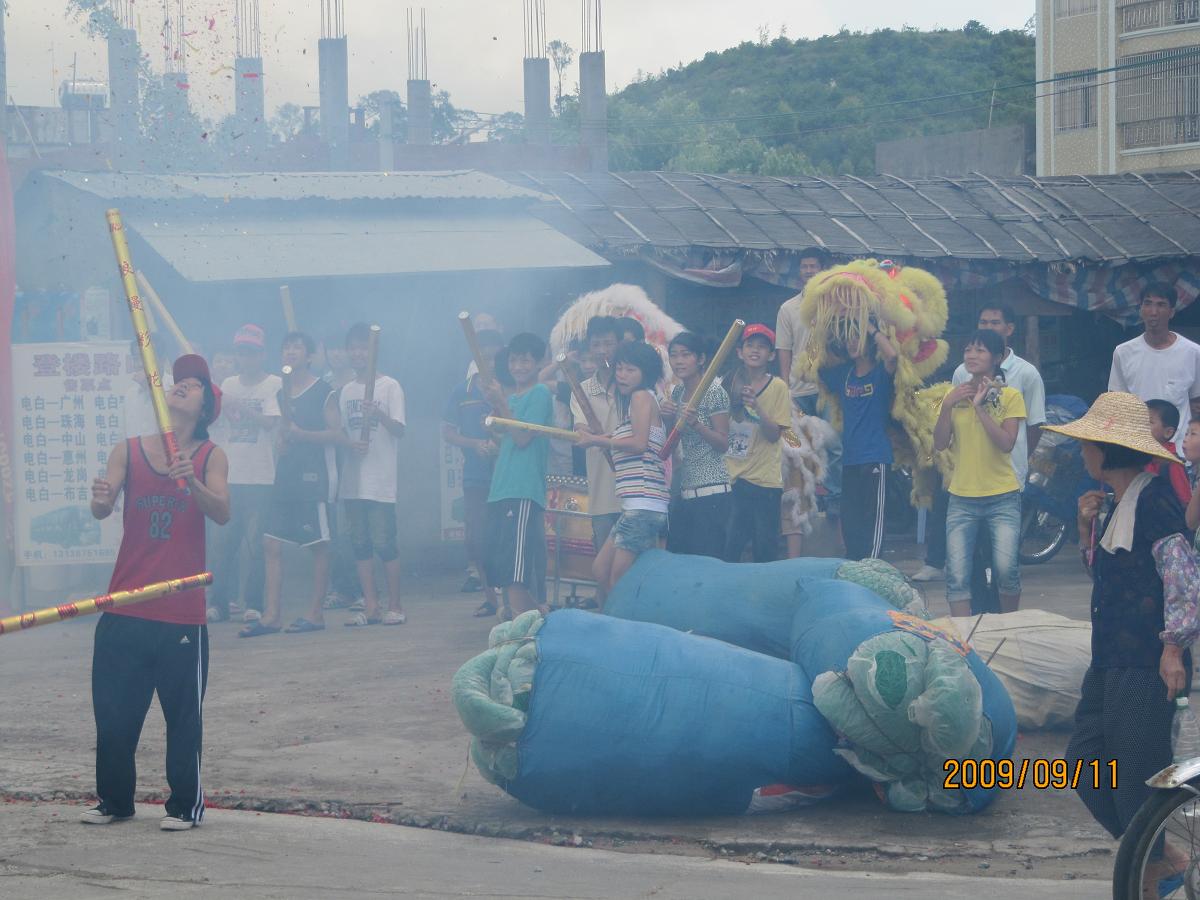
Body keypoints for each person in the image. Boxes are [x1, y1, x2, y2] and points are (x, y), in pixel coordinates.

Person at [1052, 393, 1198, 896]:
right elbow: (1112, 578)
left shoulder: (1156, 502)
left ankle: (1148, 873)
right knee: (1084, 762)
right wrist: (1084, 529)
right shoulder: (1117, 504)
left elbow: (1182, 581)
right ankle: (1164, 856)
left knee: (1137, 777)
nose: (1082, 454)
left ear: (1107, 451)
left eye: (1087, 445)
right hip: (1110, 661)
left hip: (1146, 663)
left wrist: (1173, 648)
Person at [82, 354, 230, 831]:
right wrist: (100, 501)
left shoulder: (210, 456)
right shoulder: (128, 450)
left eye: (194, 384)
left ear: (206, 407)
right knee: (113, 714)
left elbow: (222, 512)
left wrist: (191, 482)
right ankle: (114, 801)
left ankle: (185, 805)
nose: (182, 386)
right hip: (125, 604)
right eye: (178, 381)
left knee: (183, 718)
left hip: (181, 611)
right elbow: (103, 508)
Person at [915, 304, 1047, 585]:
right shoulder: (961, 374)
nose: (988, 328)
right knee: (964, 567)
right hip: (965, 476)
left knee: (1003, 564)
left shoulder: (1026, 374)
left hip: (1007, 474)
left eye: (994, 323)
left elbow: (1035, 425)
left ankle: (999, 607)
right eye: (983, 323)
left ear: (1009, 329)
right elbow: (943, 438)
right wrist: (947, 407)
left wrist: (1021, 459)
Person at [241, 332, 343, 636]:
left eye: (297, 347)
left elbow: (337, 433)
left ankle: (316, 614)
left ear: (309, 356)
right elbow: (283, 435)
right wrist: (284, 442)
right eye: (286, 347)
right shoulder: (281, 392)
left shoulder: (324, 391)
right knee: (270, 541)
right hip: (285, 476)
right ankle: (272, 615)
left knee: (319, 545)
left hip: (315, 478)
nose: (290, 351)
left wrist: (302, 435)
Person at [933, 329, 1026, 617]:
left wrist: (979, 409)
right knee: (957, 574)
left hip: (1003, 495)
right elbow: (939, 443)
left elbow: (1006, 443)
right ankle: (962, 637)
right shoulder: (954, 396)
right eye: (968, 349)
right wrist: (947, 406)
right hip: (962, 496)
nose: (972, 355)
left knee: (1006, 570)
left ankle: (1010, 628)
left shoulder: (1010, 396)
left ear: (997, 358)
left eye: (980, 350)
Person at [578, 341, 669, 596]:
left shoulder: (641, 397)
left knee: (618, 579)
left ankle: (625, 619)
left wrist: (597, 440)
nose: (622, 375)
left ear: (645, 373)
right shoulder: (637, 402)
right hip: (633, 504)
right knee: (600, 570)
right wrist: (599, 437)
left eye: (630, 370)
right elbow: (629, 437)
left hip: (644, 503)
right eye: (619, 368)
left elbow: (639, 443)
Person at [209, 325, 280, 623]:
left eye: (251, 352)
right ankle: (218, 603)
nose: (246, 358)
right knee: (223, 543)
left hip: (261, 475)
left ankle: (253, 603)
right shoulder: (228, 383)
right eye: (241, 352)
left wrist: (240, 406)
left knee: (255, 544)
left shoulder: (274, 383)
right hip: (229, 475)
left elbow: (270, 423)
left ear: (262, 354)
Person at [338, 323, 407, 627]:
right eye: (352, 348)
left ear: (373, 351)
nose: (357, 353)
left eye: (362, 347)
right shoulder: (346, 390)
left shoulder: (390, 386)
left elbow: (400, 429)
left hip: (380, 481)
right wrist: (349, 444)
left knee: (385, 543)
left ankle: (396, 605)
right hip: (353, 481)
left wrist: (377, 413)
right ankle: (371, 605)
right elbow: (341, 432)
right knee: (360, 544)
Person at [484, 333, 554, 618]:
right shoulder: (513, 398)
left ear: (539, 363)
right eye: (514, 360)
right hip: (502, 487)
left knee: (515, 569)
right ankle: (528, 616)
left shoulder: (540, 394)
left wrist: (501, 404)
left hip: (523, 488)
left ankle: (527, 622)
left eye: (525, 360)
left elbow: (524, 438)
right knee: (502, 565)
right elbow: (507, 439)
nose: (518, 366)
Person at [818, 317, 898, 561]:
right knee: (850, 519)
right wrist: (827, 325)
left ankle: (872, 566)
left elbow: (892, 356)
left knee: (873, 518)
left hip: (876, 456)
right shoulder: (844, 374)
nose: (852, 342)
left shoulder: (880, 373)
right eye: (849, 338)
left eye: (857, 337)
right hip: (850, 459)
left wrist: (870, 327)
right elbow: (816, 365)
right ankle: (854, 566)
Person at [443, 329, 504, 618]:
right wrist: (475, 443)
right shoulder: (462, 391)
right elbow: (448, 432)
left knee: (505, 536)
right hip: (475, 475)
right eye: (483, 355)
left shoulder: (507, 387)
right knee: (477, 537)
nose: (488, 361)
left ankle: (511, 597)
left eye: (493, 356)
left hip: (506, 473)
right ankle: (490, 597)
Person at [776, 252, 834, 556]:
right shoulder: (788, 308)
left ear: (823, 270)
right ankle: (800, 514)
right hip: (797, 391)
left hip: (828, 390)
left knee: (832, 450)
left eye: (814, 266)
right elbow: (783, 349)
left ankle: (833, 506)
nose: (808, 270)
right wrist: (785, 389)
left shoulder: (834, 304)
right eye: (804, 266)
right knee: (796, 454)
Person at [723, 324, 792, 563]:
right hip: (731, 477)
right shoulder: (728, 382)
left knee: (765, 550)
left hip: (765, 480)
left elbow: (774, 435)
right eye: (750, 345)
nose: (755, 350)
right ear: (739, 352)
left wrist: (756, 406)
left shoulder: (779, 387)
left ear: (771, 356)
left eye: (762, 347)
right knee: (729, 550)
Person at [662, 332, 731, 559]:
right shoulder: (678, 392)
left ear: (701, 359)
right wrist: (667, 418)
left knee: (707, 559)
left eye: (685, 355)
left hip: (713, 490)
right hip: (686, 488)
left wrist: (696, 424)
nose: (679, 361)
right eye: (674, 355)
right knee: (679, 556)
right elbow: (671, 444)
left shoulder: (715, 392)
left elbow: (723, 443)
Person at [1110, 282, 1200, 438]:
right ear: (1140, 309)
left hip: (1178, 447)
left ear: (1172, 312)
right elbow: (1117, 403)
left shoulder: (1193, 352)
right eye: (1148, 303)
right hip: (1138, 445)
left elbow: (1196, 404)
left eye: (1161, 305)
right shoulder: (1123, 352)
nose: (1153, 312)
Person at [569, 316, 624, 560]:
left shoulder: (632, 384)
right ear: (589, 348)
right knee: (604, 562)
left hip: (633, 489)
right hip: (601, 490)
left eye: (608, 343)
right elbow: (582, 429)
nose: (602, 350)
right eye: (596, 344)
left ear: (619, 344)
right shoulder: (581, 389)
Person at [1145, 398, 1192, 507]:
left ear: (1168, 432)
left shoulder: (1172, 464)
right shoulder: (1142, 457)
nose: (1141, 426)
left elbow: (1185, 502)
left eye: (1149, 422)